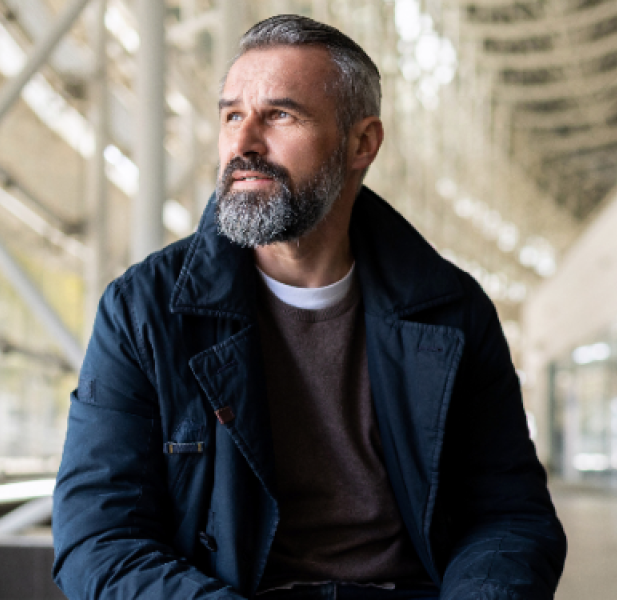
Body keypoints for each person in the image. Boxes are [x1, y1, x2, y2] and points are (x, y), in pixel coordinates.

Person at [52, 14, 566, 600]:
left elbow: (509, 516)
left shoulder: (450, 310)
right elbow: (98, 541)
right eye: (231, 116)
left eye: (279, 115)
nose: (244, 144)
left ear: (361, 143)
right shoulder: (144, 310)